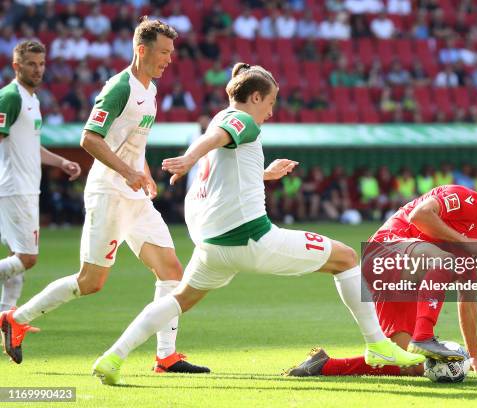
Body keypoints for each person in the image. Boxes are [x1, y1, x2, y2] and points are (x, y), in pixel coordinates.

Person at [91, 62, 425, 385]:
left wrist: (263, 173)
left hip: (213, 248)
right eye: (270, 102)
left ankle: (113, 356)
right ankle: (378, 346)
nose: (271, 111)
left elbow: (224, 168)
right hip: (252, 239)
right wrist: (189, 157)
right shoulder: (241, 121)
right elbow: (218, 138)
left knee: (178, 300)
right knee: (347, 257)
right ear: (254, 97)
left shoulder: (220, 119)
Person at [0, 18, 209, 375]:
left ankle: (166, 356)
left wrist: (141, 172)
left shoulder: (151, 90)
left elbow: (131, 142)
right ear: (142, 50)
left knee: (172, 271)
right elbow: (90, 138)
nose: (169, 60)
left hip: (133, 196)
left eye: (171, 53)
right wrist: (128, 172)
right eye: (163, 52)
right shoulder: (119, 88)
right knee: (91, 282)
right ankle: (16, 319)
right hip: (108, 194)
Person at [286, 167, 477, 377]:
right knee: (446, 261)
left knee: (408, 365)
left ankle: (323, 365)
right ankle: (424, 336)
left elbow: (468, 299)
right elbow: (420, 215)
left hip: (407, 280)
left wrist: (473, 355)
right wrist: (462, 242)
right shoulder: (463, 197)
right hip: (385, 251)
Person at [0, 40, 81, 312]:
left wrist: (61, 162)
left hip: (26, 188)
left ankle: (5, 319)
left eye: (41, 64)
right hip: (14, 188)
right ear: (16, 65)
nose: (38, 70)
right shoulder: (10, 97)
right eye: (31, 64)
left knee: (16, 257)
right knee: (27, 258)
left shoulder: (31, 99)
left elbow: (31, 144)